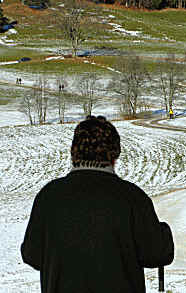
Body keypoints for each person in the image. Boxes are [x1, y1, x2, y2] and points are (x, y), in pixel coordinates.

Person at [21, 115, 174, 293]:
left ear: (73, 152)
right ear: (115, 154)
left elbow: (32, 255)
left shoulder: (49, 197)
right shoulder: (132, 198)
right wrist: (164, 233)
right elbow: (157, 254)